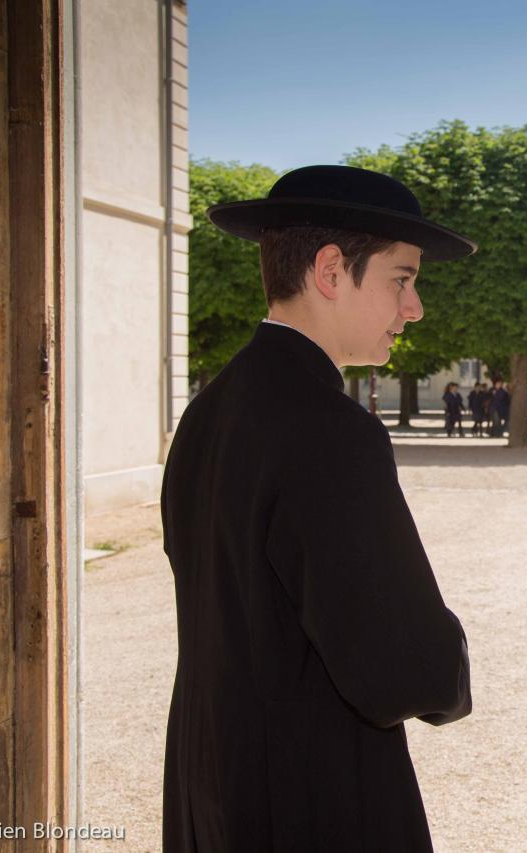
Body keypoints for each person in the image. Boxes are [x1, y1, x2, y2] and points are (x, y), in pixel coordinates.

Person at [163, 165, 474, 851]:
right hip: (312, 802)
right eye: (402, 278)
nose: (414, 306)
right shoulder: (332, 430)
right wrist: (452, 659)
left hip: (208, 784)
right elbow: (404, 668)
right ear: (331, 271)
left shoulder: (205, 414)